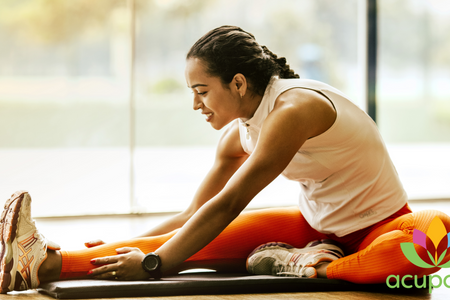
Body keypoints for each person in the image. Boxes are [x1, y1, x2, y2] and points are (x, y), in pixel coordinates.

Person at [1, 25, 449, 294]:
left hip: (382, 227)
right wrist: (128, 247)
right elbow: (193, 215)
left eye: (201, 91)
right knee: (188, 240)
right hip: (314, 227)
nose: (196, 105)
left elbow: (230, 202)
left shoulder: (294, 111)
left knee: (436, 237)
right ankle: (38, 263)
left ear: (237, 83)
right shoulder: (239, 133)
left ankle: (316, 265)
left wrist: (157, 265)